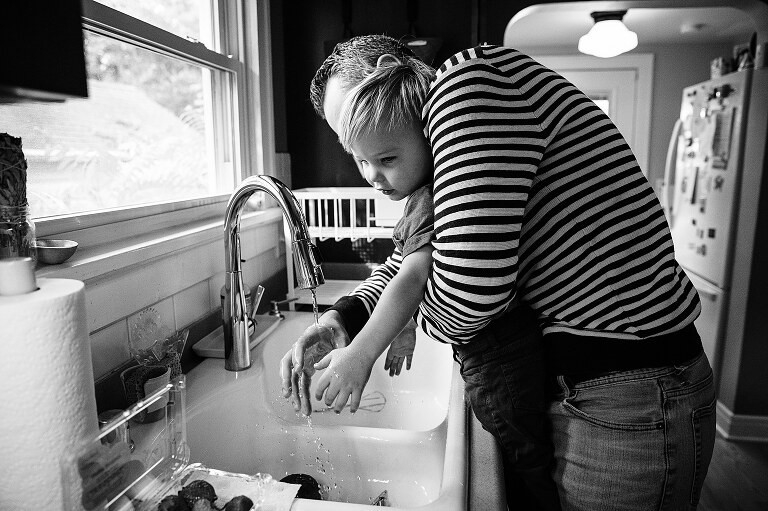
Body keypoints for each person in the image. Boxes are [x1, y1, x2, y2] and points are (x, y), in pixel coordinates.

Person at [281, 34, 716, 511]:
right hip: (610, 387)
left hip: (628, 390)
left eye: (364, 123)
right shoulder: (441, 157)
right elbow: (415, 263)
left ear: (394, 74)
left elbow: (467, 299)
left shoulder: (468, 87)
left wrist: (391, 330)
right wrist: (340, 320)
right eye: (351, 146)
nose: (367, 166)